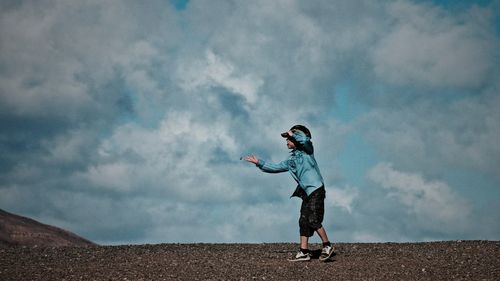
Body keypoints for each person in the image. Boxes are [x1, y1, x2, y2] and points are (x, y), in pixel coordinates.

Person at [244, 125, 335, 262]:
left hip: (316, 189)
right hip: (306, 193)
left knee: (313, 220)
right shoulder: (291, 161)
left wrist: (293, 134)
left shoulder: (307, 152)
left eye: (289, 139)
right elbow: (275, 167)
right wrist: (259, 163)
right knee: (303, 221)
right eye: (287, 139)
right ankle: (304, 252)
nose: (287, 142)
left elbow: (305, 140)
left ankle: (327, 246)